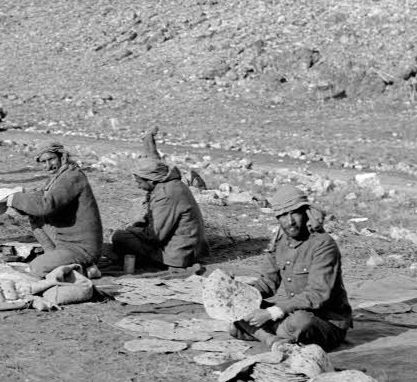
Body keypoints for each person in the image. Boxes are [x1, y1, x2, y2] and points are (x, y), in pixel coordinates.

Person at [232, 185, 352, 351]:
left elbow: (317, 294)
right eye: (283, 215)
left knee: (301, 322)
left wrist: (271, 313)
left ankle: (262, 333)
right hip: (291, 311)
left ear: (305, 212)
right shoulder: (279, 242)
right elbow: (267, 283)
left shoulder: (323, 245)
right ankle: (274, 338)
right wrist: (239, 292)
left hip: (325, 321)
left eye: (294, 213)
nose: (290, 221)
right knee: (239, 313)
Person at [0, 142, 103, 277]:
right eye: (44, 162)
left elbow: (46, 206)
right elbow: (40, 199)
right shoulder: (57, 177)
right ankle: (56, 257)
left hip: (82, 248)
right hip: (64, 243)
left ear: (62, 158)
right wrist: (20, 195)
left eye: (51, 159)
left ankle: (84, 269)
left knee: (37, 268)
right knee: (34, 215)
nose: (48, 166)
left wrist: (13, 198)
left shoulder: (72, 177)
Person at [111, 126, 209, 270]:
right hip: (186, 247)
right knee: (131, 231)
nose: (139, 186)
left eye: (140, 182)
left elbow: (155, 236)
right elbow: (152, 156)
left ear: (151, 181)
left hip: (179, 255)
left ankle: (152, 260)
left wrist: (132, 230)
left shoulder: (165, 195)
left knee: (120, 237)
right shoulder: (169, 184)